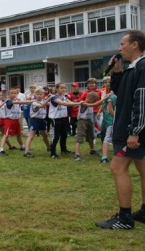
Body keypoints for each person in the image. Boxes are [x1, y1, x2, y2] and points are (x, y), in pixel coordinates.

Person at [96, 30, 145, 230]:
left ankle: (125, 218)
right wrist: (116, 71)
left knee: (117, 168)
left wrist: (135, 131)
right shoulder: (132, 68)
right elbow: (119, 92)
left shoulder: (142, 67)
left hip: (131, 130)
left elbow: (142, 100)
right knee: (143, 169)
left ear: (135, 44)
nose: (119, 48)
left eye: (123, 43)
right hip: (132, 128)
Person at [48, 83, 80, 159]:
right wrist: (78, 103)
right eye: (61, 88)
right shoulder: (53, 97)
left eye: (64, 88)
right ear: (57, 89)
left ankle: (63, 150)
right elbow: (63, 103)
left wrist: (79, 103)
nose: (63, 89)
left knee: (64, 135)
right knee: (55, 136)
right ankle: (53, 153)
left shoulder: (64, 97)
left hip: (64, 118)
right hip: (56, 119)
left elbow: (70, 103)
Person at [23, 87, 52, 158]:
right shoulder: (34, 102)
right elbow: (41, 106)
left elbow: (50, 103)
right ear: (35, 94)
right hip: (34, 120)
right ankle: (26, 151)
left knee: (45, 135)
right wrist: (49, 98)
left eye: (41, 94)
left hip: (42, 120)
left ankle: (49, 148)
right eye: (37, 94)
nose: (39, 95)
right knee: (31, 135)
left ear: (43, 95)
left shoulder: (44, 100)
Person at [73, 92, 101, 161]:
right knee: (80, 137)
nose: (94, 102)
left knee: (91, 136)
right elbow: (94, 104)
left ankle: (92, 150)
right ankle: (77, 154)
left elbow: (94, 104)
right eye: (94, 100)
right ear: (89, 98)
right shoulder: (83, 103)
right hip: (82, 121)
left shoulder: (90, 103)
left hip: (89, 120)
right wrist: (104, 98)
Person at [98, 82, 116, 164]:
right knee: (108, 137)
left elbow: (103, 105)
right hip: (110, 120)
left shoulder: (109, 95)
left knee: (110, 137)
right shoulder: (111, 96)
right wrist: (118, 117)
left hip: (109, 120)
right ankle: (104, 157)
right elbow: (110, 110)